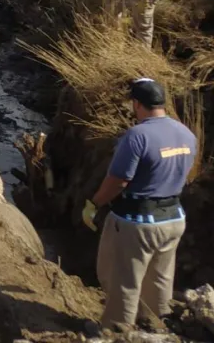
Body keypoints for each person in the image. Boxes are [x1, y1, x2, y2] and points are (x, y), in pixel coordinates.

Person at [83, 78, 196, 331]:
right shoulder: (186, 134)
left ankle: (116, 330)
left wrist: (94, 203)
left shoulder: (137, 136)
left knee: (122, 279)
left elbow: (119, 180)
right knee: (159, 279)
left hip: (137, 222)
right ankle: (156, 325)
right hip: (174, 218)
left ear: (136, 104)